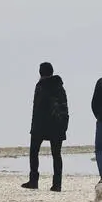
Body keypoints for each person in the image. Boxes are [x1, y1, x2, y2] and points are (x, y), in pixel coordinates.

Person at [24, 62, 69, 191]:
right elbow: (64, 106)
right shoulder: (60, 87)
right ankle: (57, 184)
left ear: (40, 73)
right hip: (57, 125)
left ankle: (34, 180)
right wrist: (64, 125)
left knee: (34, 152)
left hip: (41, 125)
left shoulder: (41, 86)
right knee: (56, 154)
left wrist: (34, 128)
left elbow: (37, 109)